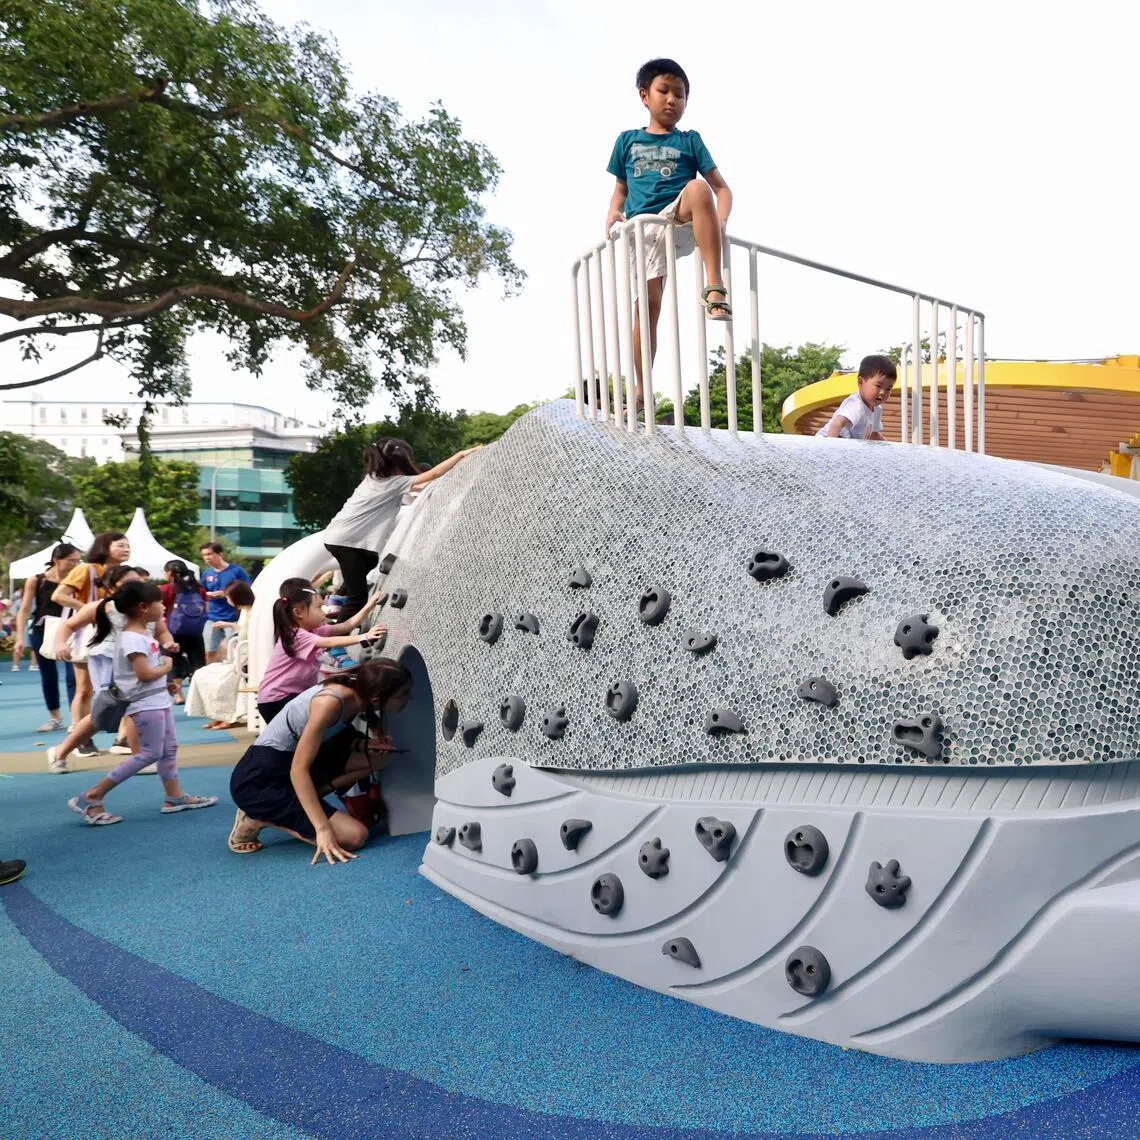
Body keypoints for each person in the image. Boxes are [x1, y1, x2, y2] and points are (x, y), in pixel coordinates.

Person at [605, 58, 734, 411]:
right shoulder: (627, 141)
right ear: (645, 95)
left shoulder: (690, 140)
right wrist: (613, 211)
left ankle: (714, 286)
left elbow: (722, 189)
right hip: (643, 227)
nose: (672, 100)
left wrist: (720, 220)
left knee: (697, 187)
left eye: (680, 94)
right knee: (646, 308)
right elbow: (620, 188)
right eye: (664, 91)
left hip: (678, 218)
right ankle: (643, 389)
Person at [228, 659, 411, 863]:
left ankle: (297, 806)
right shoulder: (328, 703)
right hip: (259, 781)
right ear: (376, 700)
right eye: (403, 695)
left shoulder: (355, 690)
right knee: (355, 836)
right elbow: (298, 771)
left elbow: (330, 736)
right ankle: (257, 816)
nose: (408, 699)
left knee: (379, 759)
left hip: (288, 765)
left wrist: (366, 744)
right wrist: (322, 829)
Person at [66, 581, 217, 825]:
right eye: (160, 602)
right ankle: (93, 795)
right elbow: (144, 674)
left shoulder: (142, 634)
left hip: (156, 700)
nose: (165, 606)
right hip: (145, 705)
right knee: (150, 753)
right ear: (143, 607)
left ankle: (174, 797)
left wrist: (164, 681)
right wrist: (167, 666)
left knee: (168, 749)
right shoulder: (132, 638)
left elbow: (146, 673)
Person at [322, 437, 480, 618]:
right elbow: (434, 474)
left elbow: (423, 486)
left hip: (341, 537)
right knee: (358, 600)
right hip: (348, 542)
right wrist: (460, 455)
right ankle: (337, 644)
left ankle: (341, 597)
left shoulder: (375, 479)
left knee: (370, 561)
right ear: (399, 464)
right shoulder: (394, 483)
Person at [47, 565, 174, 773]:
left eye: (138, 582)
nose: (136, 587)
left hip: (140, 660)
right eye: (129, 583)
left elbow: (163, 632)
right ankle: (61, 751)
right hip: (109, 662)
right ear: (114, 587)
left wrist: (168, 643)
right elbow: (69, 625)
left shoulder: (148, 609)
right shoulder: (102, 607)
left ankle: (139, 756)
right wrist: (61, 644)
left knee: (134, 706)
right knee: (105, 712)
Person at [256, 581, 387, 726]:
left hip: (288, 697)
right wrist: (364, 637)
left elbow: (347, 625)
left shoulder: (313, 631)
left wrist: (369, 605)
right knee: (322, 721)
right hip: (277, 700)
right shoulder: (296, 635)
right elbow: (331, 642)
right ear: (298, 612)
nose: (324, 612)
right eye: (319, 607)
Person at [51, 531, 132, 751]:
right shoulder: (86, 569)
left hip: (118, 635)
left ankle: (123, 738)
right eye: (120, 545)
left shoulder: (126, 573)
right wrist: (90, 612)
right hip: (89, 634)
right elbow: (59, 595)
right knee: (85, 689)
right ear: (105, 547)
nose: (126, 549)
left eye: (128, 546)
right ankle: (81, 739)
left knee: (126, 686)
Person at [13, 543, 81, 730]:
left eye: (78, 560)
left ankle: (77, 720)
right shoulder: (36, 580)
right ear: (56, 560)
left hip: (70, 631)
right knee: (48, 676)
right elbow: (24, 610)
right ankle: (55, 717)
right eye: (71, 560)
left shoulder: (78, 579)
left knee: (73, 676)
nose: (76, 564)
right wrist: (20, 638)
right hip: (42, 632)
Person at [186, 579, 255, 729]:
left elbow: (255, 639)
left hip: (245, 660)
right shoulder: (245, 611)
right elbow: (243, 629)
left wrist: (243, 661)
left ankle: (228, 716)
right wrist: (228, 624)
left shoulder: (254, 613)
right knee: (201, 674)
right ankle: (218, 714)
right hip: (239, 658)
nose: (227, 600)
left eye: (228, 597)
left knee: (213, 678)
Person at [816, 355, 898, 441]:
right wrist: (831, 448)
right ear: (860, 382)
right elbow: (837, 423)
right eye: (878, 386)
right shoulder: (856, 404)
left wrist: (888, 448)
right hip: (826, 439)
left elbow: (873, 434)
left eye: (888, 388)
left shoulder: (877, 409)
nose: (883, 392)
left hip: (845, 445)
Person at [161, 559, 208, 704]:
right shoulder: (199, 589)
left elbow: (161, 611)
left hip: (173, 631)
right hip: (195, 631)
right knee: (198, 663)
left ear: (169, 573)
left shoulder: (165, 589)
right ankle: (200, 697)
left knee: (174, 662)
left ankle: (179, 695)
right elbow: (206, 609)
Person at [198, 543, 252, 663]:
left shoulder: (236, 571)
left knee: (233, 650)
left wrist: (225, 593)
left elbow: (247, 589)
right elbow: (201, 592)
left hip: (233, 617)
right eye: (204, 555)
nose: (207, 558)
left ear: (220, 553)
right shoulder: (207, 574)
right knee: (209, 650)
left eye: (209, 554)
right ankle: (210, 674)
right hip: (212, 618)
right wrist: (207, 596)